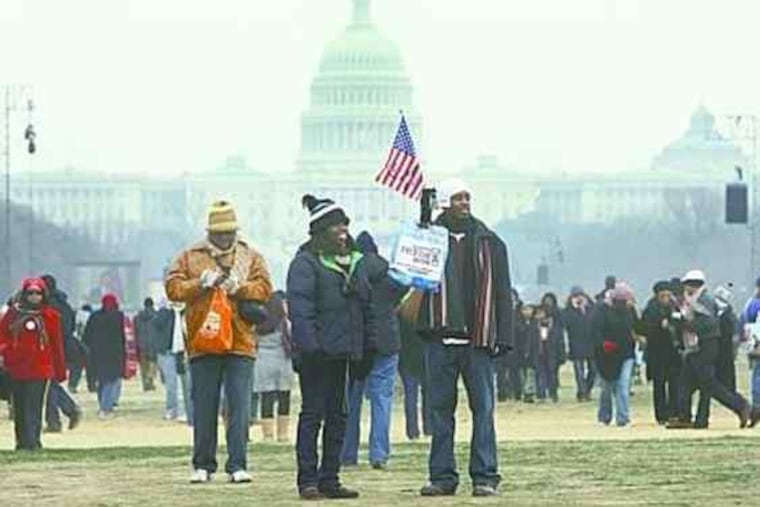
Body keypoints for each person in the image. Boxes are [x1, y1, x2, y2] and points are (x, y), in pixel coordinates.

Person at [416, 178, 513, 497]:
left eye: (467, 198)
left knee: (483, 410)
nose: (464, 203)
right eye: (457, 198)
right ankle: (443, 477)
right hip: (440, 338)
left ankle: (485, 476)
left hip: (478, 339)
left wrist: (504, 336)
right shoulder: (427, 240)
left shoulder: (490, 242)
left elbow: (501, 293)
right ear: (444, 203)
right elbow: (408, 285)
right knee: (440, 412)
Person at [165, 200, 273, 484]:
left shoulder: (251, 257)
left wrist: (240, 287)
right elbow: (173, 289)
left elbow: (264, 289)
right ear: (209, 232)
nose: (225, 237)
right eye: (219, 232)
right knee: (204, 406)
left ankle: (237, 464)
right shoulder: (189, 257)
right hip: (205, 340)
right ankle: (203, 464)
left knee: (240, 406)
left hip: (241, 341)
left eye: (229, 232)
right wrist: (200, 282)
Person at [288, 194, 372, 500]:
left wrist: (365, 350)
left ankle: (330, 478)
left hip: (344, 354)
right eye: (336, 227)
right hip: (316, 356)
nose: (343, 232)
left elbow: (367, 308)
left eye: (345, 226)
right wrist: (311, 348)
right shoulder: (305, 263)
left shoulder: (355, 262)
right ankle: (307, 480)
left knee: (339, 417)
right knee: (312, 415)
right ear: (321, 232)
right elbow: (300, 310)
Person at [341, 231, 407, 470]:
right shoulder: (390, 276)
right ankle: (379, 453)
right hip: (387, 342)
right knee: (382, 399)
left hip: (357, 344)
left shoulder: (351, 273)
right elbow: (403, 292)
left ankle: (347, 454)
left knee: (351, 402)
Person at [667, 270, 758, 429]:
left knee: (710, 385)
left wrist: (682, 323)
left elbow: (708, 325)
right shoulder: (695, 300)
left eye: (688, 284)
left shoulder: (704, 300)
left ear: (695, 285)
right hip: (695, 348)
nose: (686, 288)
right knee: (685, 383)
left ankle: (744, 408)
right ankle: (684, 417)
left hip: (705, 347)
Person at [0, 278, 66, 450]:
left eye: (38, 293)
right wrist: (7, 351)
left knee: (34, 407)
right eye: (30, 293)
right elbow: (2, 337)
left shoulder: (51, 317)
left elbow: (56, 345)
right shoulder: (13, 315)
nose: (34, 297)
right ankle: (21, 442)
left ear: (43, 295)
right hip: (16, 368)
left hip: (40, 369)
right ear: (24, 294)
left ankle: (33, 442)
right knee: (19, 407)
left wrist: (59, 371)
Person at [40, 274, 83, 433]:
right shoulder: (64, 304)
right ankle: (58, 417)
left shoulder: (49, 306)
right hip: (62, 347)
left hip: (50, 348)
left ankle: (63, 415)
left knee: (48, 384)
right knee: (49, 384)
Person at [253, 291, 294, 442]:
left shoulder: (258, 323)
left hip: (263, 361)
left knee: (267, 398)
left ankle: (267, 434)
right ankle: (282, 434)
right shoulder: (285, 323)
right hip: (283, 361)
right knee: (284, 397)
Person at [595, 282, 636, 427]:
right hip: (606, 356)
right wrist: (603, 344)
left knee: (623, 387)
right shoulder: (602, 311)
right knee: (606, 389)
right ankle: (604, 417)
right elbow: (596, 331)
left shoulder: (631, 311)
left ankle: (623, 418)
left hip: (626, 354)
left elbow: (636, 327)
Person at [641, 281, 681, 425]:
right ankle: (661, 415)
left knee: (675, 384)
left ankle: (674, 412)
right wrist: (659, 326)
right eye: (663, 295)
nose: (666, 298)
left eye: (668, 295)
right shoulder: (650, 310)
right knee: (659, 385)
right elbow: (644, 329)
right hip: (656, 353)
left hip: (673, 354)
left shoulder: (675, 307)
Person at [83, 294, 126, 418]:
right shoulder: (118, 316)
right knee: (110, 381)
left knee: (102, 381)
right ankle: (106, 408)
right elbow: (121, 337)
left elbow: (87, 335)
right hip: (114, 353)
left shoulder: (95, 316)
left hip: (97, 354)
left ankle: (103, 405)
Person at [153, 300, 193, 424]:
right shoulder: (165, 313)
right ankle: (172, 410)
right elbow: (156, 324)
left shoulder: (188, 313)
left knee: (188, 384)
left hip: (185, 352)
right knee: (171, 384)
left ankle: (189, 412)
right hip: (168, 351)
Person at [563, 287, 595, 402]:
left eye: (581, 295)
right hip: (576, 344)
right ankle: (583, 393)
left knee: (593, 370)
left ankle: (587, 389)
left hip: (591, 344)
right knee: (579, 371)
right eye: (576, 295)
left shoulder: (592, 307)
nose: (579, 297)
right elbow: (566, 324)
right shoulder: (568, 311)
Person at [535, 294, 564, 403]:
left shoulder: (556, 323)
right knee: (540, 373)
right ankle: (541, 394)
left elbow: (559, 339)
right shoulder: (536, 324)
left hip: (552, 352)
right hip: (539, 351)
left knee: (552, 373)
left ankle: (553, 393)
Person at [514, 303, 539, 403]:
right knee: (521, 375)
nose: (527, 311)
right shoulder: (517, 323)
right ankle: (522, 392)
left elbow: (536, 339)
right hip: (520, 353)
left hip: (532, 353)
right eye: (525, 309)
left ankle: (529, 393)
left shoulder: (535, 323)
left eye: (529, 309)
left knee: (531, 374)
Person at [134, 297, 159, 392]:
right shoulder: (156, 315)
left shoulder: (138, 317)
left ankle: (145, 383)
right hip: (154, 344)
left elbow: (135, 331)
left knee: (144, 365)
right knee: (154, 364)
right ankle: (150, 379)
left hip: (142, 344)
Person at [69, 303, 92, 393]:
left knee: (76, 367)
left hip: (74, 343)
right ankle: (91, 385)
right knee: (90, 367)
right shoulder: (90, 316)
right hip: (87, 343)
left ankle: (72, 385)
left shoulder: (76, 315)